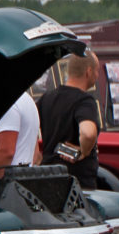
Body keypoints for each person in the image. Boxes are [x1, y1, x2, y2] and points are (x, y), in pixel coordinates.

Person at [37, 51, 101, 188]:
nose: (97, 75)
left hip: (47, 176)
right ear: (88, 71)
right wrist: (85, 151)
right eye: (97, 71)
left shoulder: (46, 99)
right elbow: (88, 133)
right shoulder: (84, 100)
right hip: (76, 183)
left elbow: (30, 130)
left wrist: (37, 158)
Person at [0, 92, 41, 179]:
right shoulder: (27, 100)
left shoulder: (7, 103)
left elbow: (6, 151)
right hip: (19, 179)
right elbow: (35, 152)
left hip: (3, 182)